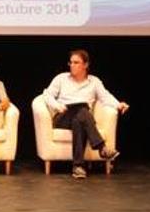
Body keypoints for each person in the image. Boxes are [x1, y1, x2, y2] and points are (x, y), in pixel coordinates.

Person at [43, 49, 129, 179]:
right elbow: (47, 95)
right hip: (63, 116)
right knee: (83, 109)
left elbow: (105, 96)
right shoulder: (61, 78)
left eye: (76, 62)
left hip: (80, 118)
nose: (72, 65)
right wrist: (58, 106)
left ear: (86, 65)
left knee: (79, 120)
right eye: (71, 62)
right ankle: (102, 148)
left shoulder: (94, 82)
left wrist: (118, 104)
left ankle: (78, 167)